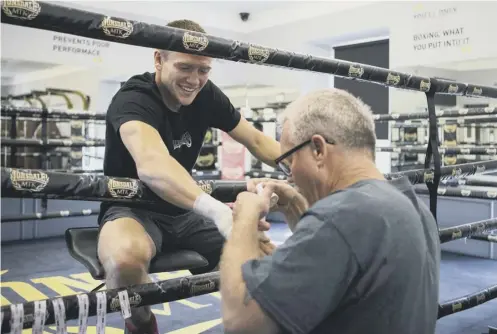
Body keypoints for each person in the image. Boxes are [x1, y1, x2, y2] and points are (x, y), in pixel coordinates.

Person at [97, 19, 281, 334]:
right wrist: (218, 211)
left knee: (266, 259)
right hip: (134, 208)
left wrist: (314, 167)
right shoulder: (134, 98)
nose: (194, 80)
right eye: (185, 68)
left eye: (203, 70)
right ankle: (141, 324)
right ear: (158, 59)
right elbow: (153, 163)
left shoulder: (207, 95)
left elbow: (258, 141)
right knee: (125, 260)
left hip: (185, 209)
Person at [220, 88, 441, 334]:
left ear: (318, 149)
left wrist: (245, 217)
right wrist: (303, 215)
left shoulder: (343, 216)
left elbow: (240, 321)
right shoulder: (411, 206)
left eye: (290, 161)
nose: (290, 175)